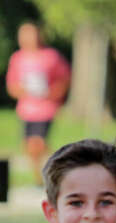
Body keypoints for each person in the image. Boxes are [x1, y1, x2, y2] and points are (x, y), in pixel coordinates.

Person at [6, 23, 70, 186]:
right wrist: (25, 91)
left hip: (45, 109)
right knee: (29, 147)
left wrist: (52, 93)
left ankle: (63, 166)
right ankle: (40, 177)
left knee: (38, 143)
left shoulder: (51, 56)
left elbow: (64, 79)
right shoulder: (17, 58)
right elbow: (12, 86)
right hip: (27, 110)